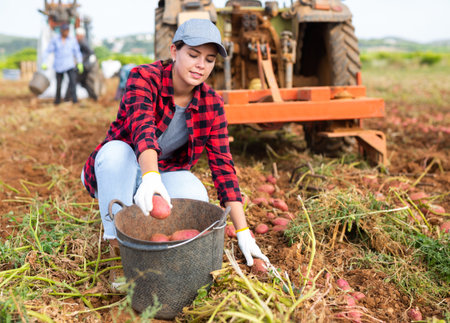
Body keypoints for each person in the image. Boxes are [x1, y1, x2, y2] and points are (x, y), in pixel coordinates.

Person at [81, 18, 269, 268]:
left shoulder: (212, 104)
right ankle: (116, 251)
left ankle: (147, 235)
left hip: (161, 177)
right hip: (121, 169)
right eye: (193, 55)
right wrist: (150, 176)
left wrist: (243, 231)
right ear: (174, 51)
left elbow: (223, 168)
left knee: (195, 194)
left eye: (210, 59)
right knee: (116, 153)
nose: (201, 65)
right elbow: (142, 128)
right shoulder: (144, 77)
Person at [41, 23, 83, 104]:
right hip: (59, 65)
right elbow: (47, 51)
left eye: (67, 31)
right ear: (61, 31)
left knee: (72, 82)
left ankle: (74, 100)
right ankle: (57, 100)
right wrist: (44, 62)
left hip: (69, 64)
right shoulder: (55, 40)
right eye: (65, 31)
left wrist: (79, 62)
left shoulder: (72, 40)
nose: (66, 32)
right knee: (58, 84)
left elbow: (77, 52)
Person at [71, 27, 98, 101]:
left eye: (78, 35)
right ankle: (93, 97)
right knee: (83, 82)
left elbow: (89, 53)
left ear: (81, 35)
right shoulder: (79, 43)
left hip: (87, 66)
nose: (76, 37)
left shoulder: (83, 42)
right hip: (85, 65)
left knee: (78, 80)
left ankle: (93, 97)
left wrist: (82, 63)